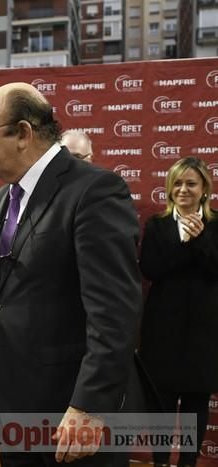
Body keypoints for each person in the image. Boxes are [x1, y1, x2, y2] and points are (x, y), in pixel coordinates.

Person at [0, 82, 143, 466]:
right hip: (17, 407)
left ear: (22, 134)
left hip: (72, 413)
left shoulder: (94, 190)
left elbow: (114, 312)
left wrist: (89, 405)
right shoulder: (2, 198)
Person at [138, 157, 218, 467]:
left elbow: (214, 270)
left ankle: (187, 463)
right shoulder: (157, 225)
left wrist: (197, 241)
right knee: (161, 401)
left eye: (191, 183)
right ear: (170, 188)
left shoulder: (215, 225)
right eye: (178, 183)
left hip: (204, 329)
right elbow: (151, 269)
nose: (184, 189)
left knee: (196, 402)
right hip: (163, 329)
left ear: (204, 189)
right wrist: (183, 243)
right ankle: (159, 461)